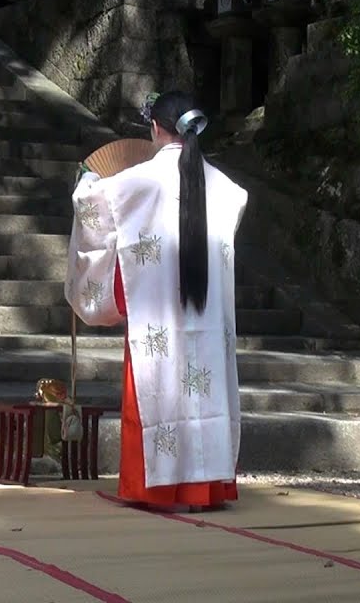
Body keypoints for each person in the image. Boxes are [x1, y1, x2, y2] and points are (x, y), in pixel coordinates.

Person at [65, 91, 248, 511]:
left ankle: (157, 488)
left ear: (155, 128)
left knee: (157, 385)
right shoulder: (223, 186)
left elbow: (90, 206)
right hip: (206, 312)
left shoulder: (141, 180)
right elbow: (237, 202)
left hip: (158, 318)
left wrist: (88, 177)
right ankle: (207, 488)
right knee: (206, 390)